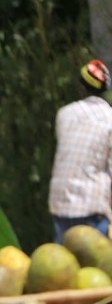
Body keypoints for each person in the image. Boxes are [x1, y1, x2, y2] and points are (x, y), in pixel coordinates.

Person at [49, 59, 112, 241]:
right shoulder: (110, 119)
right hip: (92, 209)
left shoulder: (64, 114)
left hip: (60, 206)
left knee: (62, 266)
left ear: (82, 88)